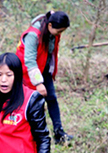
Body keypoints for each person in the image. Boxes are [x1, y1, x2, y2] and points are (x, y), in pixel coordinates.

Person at [16, 10, 72, 144]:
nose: (60, 34)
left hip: (43, 69)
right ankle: (29, 136)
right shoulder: (32, 36)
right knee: (32, 103)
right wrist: (38, 83)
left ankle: (59, 134)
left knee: (51, 98)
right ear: (50, 25)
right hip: (26, 73)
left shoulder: (51, 28)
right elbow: (29, 61)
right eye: (59, 31)